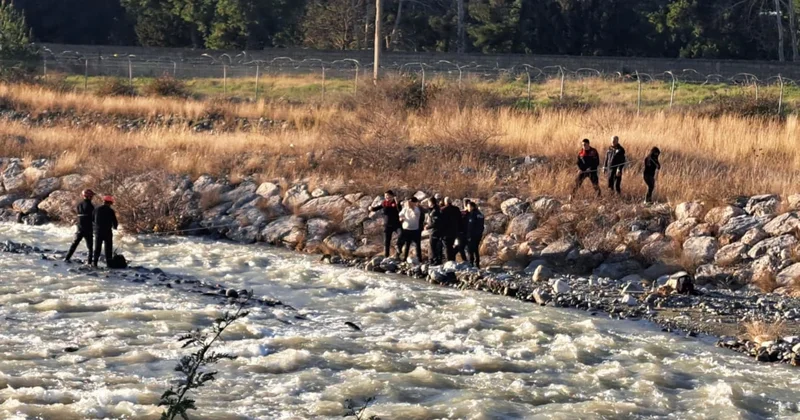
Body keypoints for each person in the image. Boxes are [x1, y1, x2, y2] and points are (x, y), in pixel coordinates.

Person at [64, 189, 95, 263]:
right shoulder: (91, 206)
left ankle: (67, 258)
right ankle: (89, 263)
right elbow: (93, 218)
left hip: (79, 227)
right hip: (88, 228)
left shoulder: (79, 205)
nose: (92, 197)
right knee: (90, 247)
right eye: (91, 196)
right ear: (89, 196)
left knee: (74, 244)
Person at [370, 190, 402, 258]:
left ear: (392, 196)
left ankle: (398, 248)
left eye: (388, 195)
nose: (386, 197)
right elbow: (376, 208)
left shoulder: (396, 203)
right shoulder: (384, 203)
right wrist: (371, 208)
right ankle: (386, 256)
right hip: (387, 224)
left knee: (401, 234)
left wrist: (397, 203)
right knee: (387, 241)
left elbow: (400, 211)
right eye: (385, 196)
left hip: (397, 224)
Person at [92, 195, 119, 268]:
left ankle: (95, 263)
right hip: (107, 232)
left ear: (103, 201)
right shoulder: (111, 211)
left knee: (97, 248)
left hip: (98, 231)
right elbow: (115, 222)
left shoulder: (96, 209)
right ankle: (109, 264)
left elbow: (92, 219)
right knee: (108, 249)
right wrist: (115, 227)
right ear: (110, 203)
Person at [398, 197, 423, 262]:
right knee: (407, 244)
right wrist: (401, 218)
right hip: (407, 229)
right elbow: (400, 214)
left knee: (417, 245)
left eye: (412, 202)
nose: (410, 204)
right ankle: (404, 258)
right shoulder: (405, 208)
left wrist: (411, 207)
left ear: (414, 203)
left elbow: (415, 213)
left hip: (415, 229)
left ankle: (419, 259)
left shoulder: (417, 209)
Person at [440, 197, 462, 261]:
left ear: (445, 202)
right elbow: (460, 220)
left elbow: (441, 222)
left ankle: (449, 261)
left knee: (447, 247)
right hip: (455, 231)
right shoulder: (456, 209)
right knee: (453, 245)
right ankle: (453, 259)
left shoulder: (442, 210)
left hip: (446, 232)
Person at [464, 200, 485, 269]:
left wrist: (469, 235)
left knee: (471, 249)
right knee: (476, 249)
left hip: (473, 235)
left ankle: (471, 263)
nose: (467, 208)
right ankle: (477, 263)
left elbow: (471, 226)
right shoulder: (480, 214)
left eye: (468, 207)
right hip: (479, 235)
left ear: (472, 207)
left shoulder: (472, 214)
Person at [425, 197, 444, 265]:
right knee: (436, 246)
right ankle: (435, 259)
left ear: (431, 202)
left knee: (432, 246)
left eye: (428, 202)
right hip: (436, 231)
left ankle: (434, 260)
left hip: (434, 231)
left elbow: (435, 222)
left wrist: (428, 226)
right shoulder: (436, 209)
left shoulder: (435, 211)